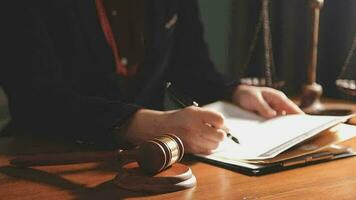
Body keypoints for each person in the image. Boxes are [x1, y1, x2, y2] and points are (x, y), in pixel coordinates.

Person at [0, 0, 303, 154]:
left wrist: (236, 92)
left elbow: (193, 70)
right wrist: (148, 124)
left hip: (148, 167)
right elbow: (35, 100)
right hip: (43, 157)